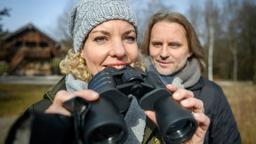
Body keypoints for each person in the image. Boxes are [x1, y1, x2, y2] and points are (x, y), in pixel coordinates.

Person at [6, 1, 210, 144]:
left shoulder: (161, 106)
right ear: (80, 50)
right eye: (101, 38)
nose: (120, 51)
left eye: (129, 38)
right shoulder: (47, 114)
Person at [142, 10, 241, 144]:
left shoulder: (212, 94)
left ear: (190, 50)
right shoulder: (135, 88)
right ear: (148, 47)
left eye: (174, 45)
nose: (164, 53)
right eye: (157, 44)